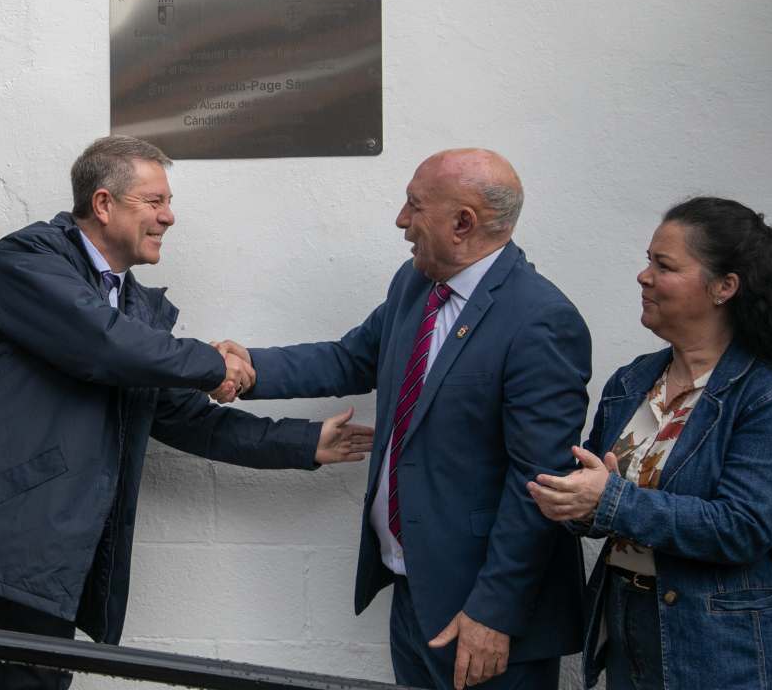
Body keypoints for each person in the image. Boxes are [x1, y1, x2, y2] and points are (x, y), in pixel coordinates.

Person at [0, 135, 373, 690]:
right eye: (154, 201)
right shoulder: (28, 259)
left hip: (48, 568)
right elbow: (102, 344)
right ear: (105, 203)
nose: (170, 217)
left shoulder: (136, 314)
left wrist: (302, 443)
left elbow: (187, 418)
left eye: (168, 202)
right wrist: (211, 362)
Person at [216, 149, 592, 690]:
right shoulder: (417, 282)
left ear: (462, 223)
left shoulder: (540, 320)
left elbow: (539, 487)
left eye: (414, 206)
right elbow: (352, 357)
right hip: (414, 588)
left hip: (482, 611)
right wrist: (249, 369)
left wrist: (494, 613)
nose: (400, 220)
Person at [527, 197, 772, 690]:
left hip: (720, 645)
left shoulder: (765, 394)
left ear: (724, 287)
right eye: (648, 260)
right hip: (627, 626)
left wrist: (608, 500)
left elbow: (743, 528)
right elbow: (596, 492)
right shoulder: (633, 380)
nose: (644, 276)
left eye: (663, 265)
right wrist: (572, 502)